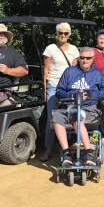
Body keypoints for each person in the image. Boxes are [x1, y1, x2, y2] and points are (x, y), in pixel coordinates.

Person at [52, 47, 104, 166]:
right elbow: (59, 91)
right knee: (57, 116)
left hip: (89, 108)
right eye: (82, 58)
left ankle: (89, 153)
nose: (85, 60)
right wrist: (72, 95)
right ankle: (66, 153)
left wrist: (91, 94)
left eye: (88, 58)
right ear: (79, 58)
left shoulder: (97, 73)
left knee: (76, 115)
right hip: (70, 105)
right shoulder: (69, 71)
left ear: (92, 59)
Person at [40, 22, 80, 162]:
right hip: (53, 84)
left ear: (69, 35)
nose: (63, 35)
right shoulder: (50, 48)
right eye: (60, 33)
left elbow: (75, 71)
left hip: (68, 87)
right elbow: (46, 70)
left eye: (66, 33)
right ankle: (48, 149)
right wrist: (45, 89)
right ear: (56, 34)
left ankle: (70, 147)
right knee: (52, 117)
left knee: (72, 115)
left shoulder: (74, 49)